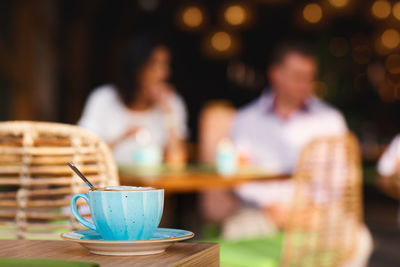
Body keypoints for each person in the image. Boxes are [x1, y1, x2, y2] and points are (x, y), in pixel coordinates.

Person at [78, 36, 188, 165]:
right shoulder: (103, 99)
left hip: (151, 184)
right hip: (107, 184)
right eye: (154, 64)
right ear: (136, 68)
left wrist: (168, 111)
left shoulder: (171, 103)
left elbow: (176, 161)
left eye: (165, 65)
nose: (163, 74)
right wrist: (123, 137)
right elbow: (83, 154)